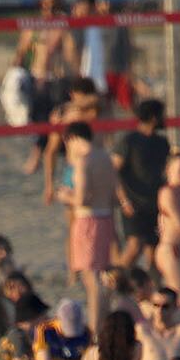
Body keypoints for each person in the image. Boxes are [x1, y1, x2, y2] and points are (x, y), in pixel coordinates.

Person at [59, 122, 119, 331]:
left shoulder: (84, 162)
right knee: (102, 277)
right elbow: (113, 193)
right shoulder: (105, 157)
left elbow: (82, 199)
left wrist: (65, 195)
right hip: (106, 218)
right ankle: (102, 325)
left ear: (73, 139)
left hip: (88, 221)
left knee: (92, 280)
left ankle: (95, 329)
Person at [115, 99, 170, 269]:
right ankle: (114, 282)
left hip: (156, 205)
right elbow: (113, 172)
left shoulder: (162, 143)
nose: (164, 118)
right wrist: (124, 200)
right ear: (153, 117)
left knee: (154, 254)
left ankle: (153, 291)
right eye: (161, 115)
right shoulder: (130, 141)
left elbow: (166, 173)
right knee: (134, 247)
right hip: (134, 204)